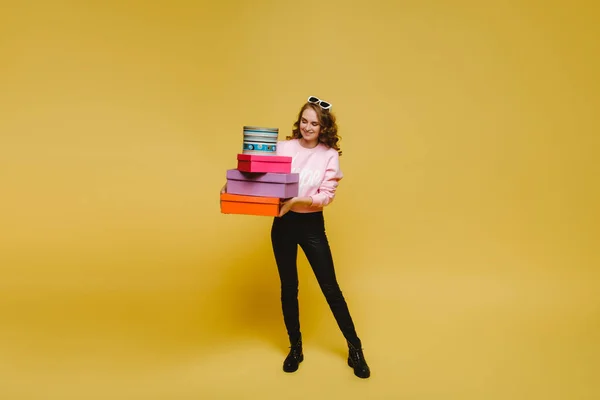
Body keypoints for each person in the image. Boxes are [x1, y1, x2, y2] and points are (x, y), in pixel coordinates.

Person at [270, 96, 370, 379]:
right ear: (298, 122)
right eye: (304, 121)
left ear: (323, 126)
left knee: (330, 288)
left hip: (312, 226)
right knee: (289, 287)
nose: (307, 127)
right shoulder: (284, 147)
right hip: (283, 224)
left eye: (314, 123)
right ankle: (295, 347)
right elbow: (261, 174)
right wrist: (236, 180)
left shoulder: (328, 154)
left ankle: (355, 349)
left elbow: (326, 195)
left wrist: (296, 200)